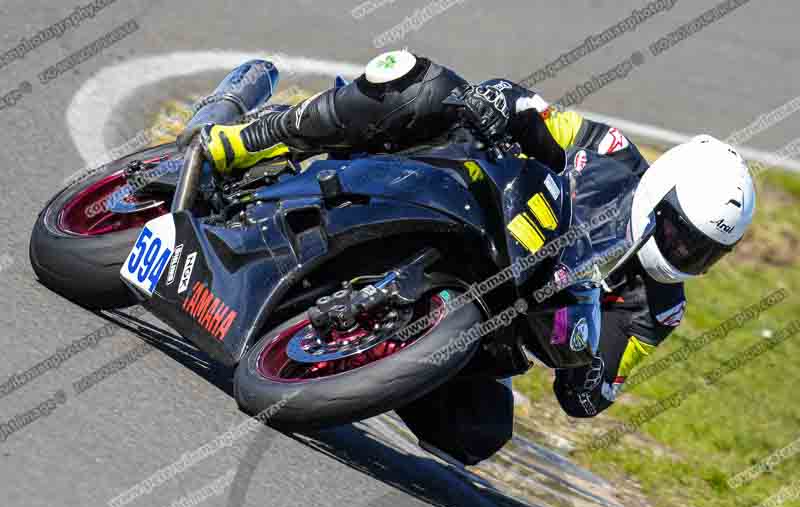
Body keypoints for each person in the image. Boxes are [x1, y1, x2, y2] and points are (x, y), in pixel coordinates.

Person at [183, 50, 755, 462]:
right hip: (459, 196)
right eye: (682, 233)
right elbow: (528, 107)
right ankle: (245, 140)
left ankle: (358, 359)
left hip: (488, 319)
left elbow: (587, 394)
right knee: (415, 82)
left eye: (705, 251)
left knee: (481, 430)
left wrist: (587, 368)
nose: (685, 254)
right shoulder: (607, 154)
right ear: (662, 194)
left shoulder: (658, 308)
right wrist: (495, 103)